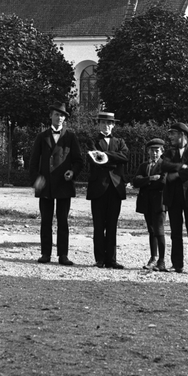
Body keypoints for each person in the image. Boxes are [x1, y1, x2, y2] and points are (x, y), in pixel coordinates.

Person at [28, 101, 83, 265]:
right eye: (57, 114)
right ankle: (45, 253)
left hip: (63, 184)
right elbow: (33, 162)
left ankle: (63, 255)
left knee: (63, 221)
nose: (59, 118)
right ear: (50, 116)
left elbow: (79, 161)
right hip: (46, 185)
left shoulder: (71, 137)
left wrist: (72, 172)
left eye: (62, 115)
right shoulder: (42, 137)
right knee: (46, 220)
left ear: (65, 119)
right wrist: (36, 180)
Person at [84, 110, 129, 269]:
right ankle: (100, 259)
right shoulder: (92, 141)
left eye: (109, 123)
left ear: (113, 125)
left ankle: (111, 259)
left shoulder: (120, 142)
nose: (106, 126)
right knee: (98, 225)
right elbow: (95, 159)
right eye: (103, 122)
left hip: (115, 187)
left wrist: (105, 156)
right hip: (98, 187)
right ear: (99, 124)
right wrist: (113, 158)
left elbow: (125, 157)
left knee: (112, 225)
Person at [161, 121, 188, 275]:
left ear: (182, 135)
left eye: (173, 134)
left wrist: (177, 175)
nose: (170, 137)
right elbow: (163, 166)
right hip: (174, 197)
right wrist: (182, 166)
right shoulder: (169, 153)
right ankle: (177, 264)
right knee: (175, 232)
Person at [130, 137, 168, 270]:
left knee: (159, 230)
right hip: (146, 202)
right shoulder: (144, 166)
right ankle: (153, 257)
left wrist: (145, 183)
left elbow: (163, 182)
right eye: (152, 150)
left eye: (157, 150)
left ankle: (161, 261)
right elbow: (136, 181)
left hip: (159, 203)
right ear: (148, 152)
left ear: (162, 151)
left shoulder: (164, 165)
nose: (154, 153)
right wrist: (150, 178)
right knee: (151, 230)